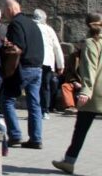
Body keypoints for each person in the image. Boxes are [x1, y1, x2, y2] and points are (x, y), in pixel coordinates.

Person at [52, 13, 102, 174]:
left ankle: (69, 161)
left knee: (80, 129)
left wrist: (85, 91)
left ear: (87, 25)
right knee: (81, 128)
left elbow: (90, 68)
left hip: (95, 94)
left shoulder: (91, 42)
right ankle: (68, 161)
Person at [0, 0, 45, 149]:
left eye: (4, 11)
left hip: (24, 67)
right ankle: (36, 138)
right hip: (37, 67)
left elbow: (18, 47)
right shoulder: (32, 24)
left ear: (10, 9)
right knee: (34, 104)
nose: (4, 14)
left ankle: (15, 135)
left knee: (6, 99)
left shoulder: (15, 24)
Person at [33, 9, 64, 119]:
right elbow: (57, 47)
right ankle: (45, 110)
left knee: (33, 87)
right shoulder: (48, 29)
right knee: (45, 86)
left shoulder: (30, 27)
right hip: (46, 62)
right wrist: (60, 65)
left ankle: (34, 109)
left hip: (33, 61)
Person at [61, 41, 85, 115]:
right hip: (77, 81)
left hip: (92, 83)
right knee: (65, 86)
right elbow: (68, 71)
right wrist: (74, 81)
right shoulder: (74, 57)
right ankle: (71, 107)